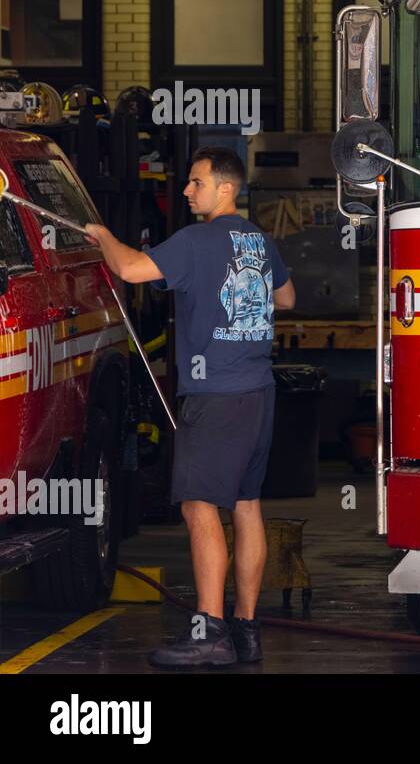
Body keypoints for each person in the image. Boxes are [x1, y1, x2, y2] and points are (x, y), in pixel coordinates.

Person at [86, 147, 295, 666]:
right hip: (257, 391)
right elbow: (287, 298)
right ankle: (245, 630)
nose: (185, 190)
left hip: (215, 397)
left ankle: (210, 632)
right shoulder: (258, 239)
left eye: (196, 182)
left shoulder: (197, 241)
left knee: (199, 507)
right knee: (246, 507)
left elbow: (132, 269)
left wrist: (102, 237)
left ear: (225, 188)